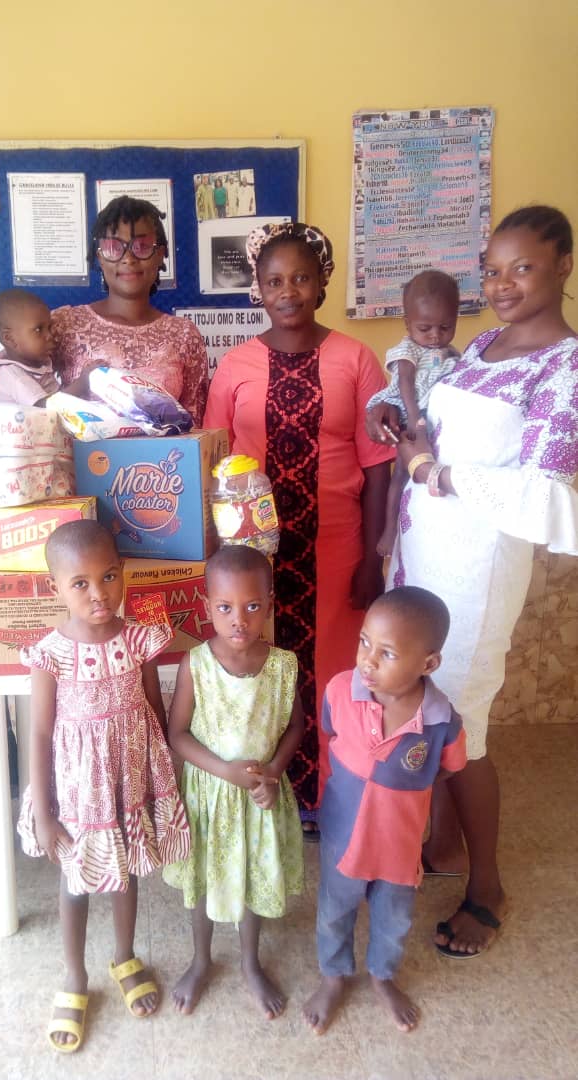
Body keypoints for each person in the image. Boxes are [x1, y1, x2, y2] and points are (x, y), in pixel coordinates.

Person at [368, 205, 578, 957]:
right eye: (491, 270)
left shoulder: (564, 367)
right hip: (424, 554)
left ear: (563, 267)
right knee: (428, 708)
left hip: (477, 571)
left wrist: (434, 470)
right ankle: (442, 842)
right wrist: (401, 423)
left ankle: (486, 886)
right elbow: (435, 418)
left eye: (522, 268)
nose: (502, 284)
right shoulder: (484, 344)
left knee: (465, 727)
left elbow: (545, 493)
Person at [203, 222, 394, 833]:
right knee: (262, 670)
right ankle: (267, 794)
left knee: (335, 671)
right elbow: (211, 460)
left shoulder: (356, 359)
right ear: (258, 289)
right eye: (275, 281)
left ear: (321, 284)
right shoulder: (236, 364)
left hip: (335, 547)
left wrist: (374, 555)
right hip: (253, 553)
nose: (288, 292)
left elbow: (379, 465)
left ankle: (331, 797)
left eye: (301, 278)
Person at [16, 520, 190, 1054]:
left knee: (125, 872)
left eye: (109, 576)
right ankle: (74, 975)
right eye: (81, 583)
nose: (99, 593)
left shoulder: (139, 638)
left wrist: (163, 777)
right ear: (56, 588)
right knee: (75, 883)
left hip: (129, 782)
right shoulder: (50, 653)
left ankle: (124, 955)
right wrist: (44, 812)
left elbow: (153, 708)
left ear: (123, 572)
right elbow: (39, 732)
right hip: (77, 793)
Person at [304, 587, 466, 1035]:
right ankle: (333, 975)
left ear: (428, 664)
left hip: (398, 846)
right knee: (334, 910)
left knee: (394, 918)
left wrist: (403, 794)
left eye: (387, 653)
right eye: (364, 642)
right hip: (343, 836)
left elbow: (449, 767)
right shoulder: (341, 691)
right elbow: (331, 729)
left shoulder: (441, 721)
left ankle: (382, 976)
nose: (368, 660)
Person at [163, 545, 304, 1019]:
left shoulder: (282, 665)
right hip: (209, 797)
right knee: (205, 878)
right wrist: (223, 770)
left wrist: (275, 771)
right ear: (207, 607)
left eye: (252, 606)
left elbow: (296, 726)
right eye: (225, 607)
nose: (238, 620)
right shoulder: (196, 664)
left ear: (270, 604)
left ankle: (249, 962)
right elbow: (177, 734)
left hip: (261, 798)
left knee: (253, 877)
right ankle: (201, 960)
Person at [51, 196, 209, 423]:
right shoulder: (65, 324)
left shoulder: (184, 335)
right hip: (79, 448)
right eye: (113, 247)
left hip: (164, 448)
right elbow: (25, 399)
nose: (128, 258)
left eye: (142, 246)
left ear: (160, 254)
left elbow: (195, 425)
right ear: (100, 257)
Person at [367, 270, 461, 556]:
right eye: (425, 328)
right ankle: (389, 532)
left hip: (435, 421)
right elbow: (406, 385)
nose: (435, 336)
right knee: (400, 476)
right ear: (408, 324)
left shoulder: (452, 354)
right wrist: (415, 420)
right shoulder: (408, 350)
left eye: (445, 327)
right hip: (411, 418)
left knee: (429, 479)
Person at [0, 287, 59, 406]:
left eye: (49, 327)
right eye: (38, 329)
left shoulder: (38, 364)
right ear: (10, 339)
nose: (50, 336)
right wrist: (81, 384)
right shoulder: (12, 375)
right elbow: (44, 407)